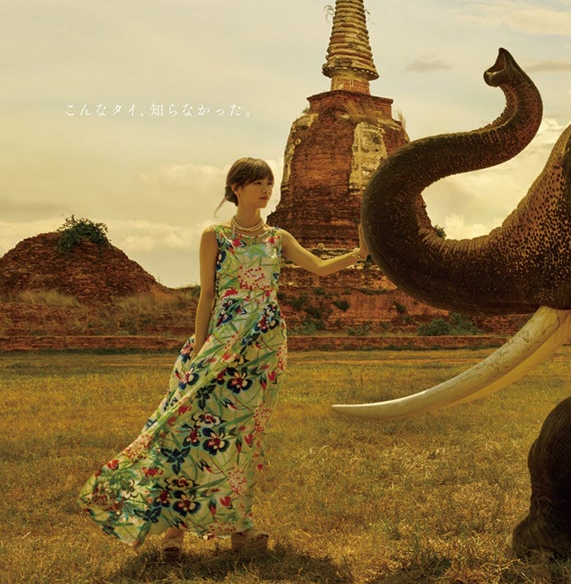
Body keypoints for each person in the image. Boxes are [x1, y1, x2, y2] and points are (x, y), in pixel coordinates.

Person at [78, 157, 369, 560]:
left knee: (241, 439)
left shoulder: (278, 238)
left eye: (269, 183)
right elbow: (208, 295)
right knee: (188, 429)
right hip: (221, 340)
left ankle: (239, 527)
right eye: (257, 183)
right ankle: (173, 531)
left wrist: (360, 251)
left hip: (264, 347)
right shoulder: (214, 235)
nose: (266, 190)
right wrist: (199, 349)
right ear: (236, 188)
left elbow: (319, 268)